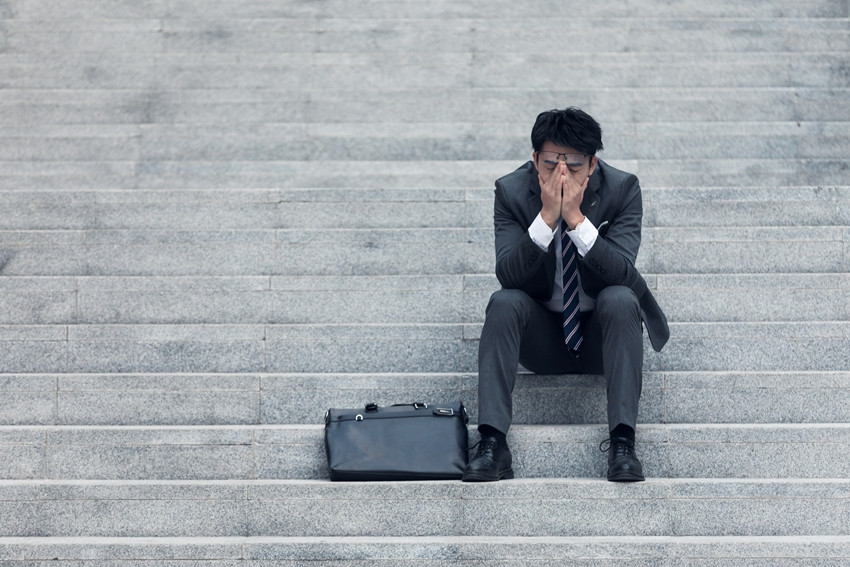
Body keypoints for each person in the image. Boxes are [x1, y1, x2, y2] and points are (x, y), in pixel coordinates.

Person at [463, 107, 669, 483]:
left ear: (592, 164)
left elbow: (623, 270)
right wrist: (545, 218)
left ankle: (623, 441)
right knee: (503, 302)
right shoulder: (510, 191)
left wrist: (575, 219)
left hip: (600, 337)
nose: (561, 174)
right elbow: (507, 274)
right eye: (549, 163)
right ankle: (492, 442)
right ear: (534, 160)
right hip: (540, 338)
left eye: (573, 165)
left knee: (622, 297)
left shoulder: (622, 189)